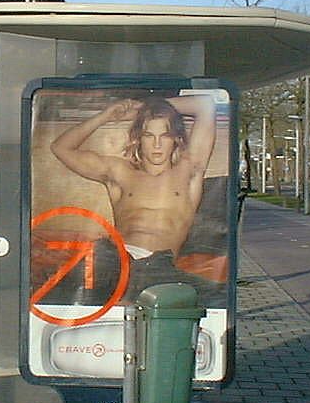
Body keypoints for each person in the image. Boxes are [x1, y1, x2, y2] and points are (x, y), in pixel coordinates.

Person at [49, 93, 216, 301]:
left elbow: (205, 105)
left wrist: (144, 109)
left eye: (164, 136)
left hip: (158, 266)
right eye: (148, 135)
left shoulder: (188, 170)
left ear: (175, 139)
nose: (156, 144)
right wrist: (106, 116)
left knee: (211, 296)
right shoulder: (121, 172)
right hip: (115, 259)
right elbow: (60, 148)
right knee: (65, 290)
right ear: (138, 138)